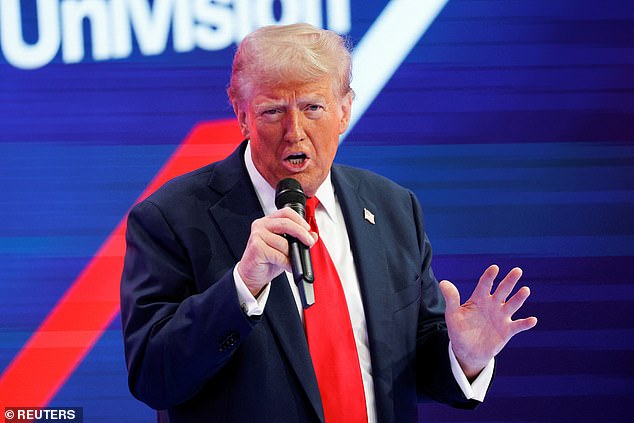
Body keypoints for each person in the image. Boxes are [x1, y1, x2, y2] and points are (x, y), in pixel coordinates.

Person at [120, 23, 537, 423]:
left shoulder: (393, 208)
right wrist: (242, 286)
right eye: (272, 111)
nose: (294, 132)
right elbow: (154, 377)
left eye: (312, 107)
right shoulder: (171, 218)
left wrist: (465, 357)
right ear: (241, 115)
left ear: (344, 110)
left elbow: (410, 365)